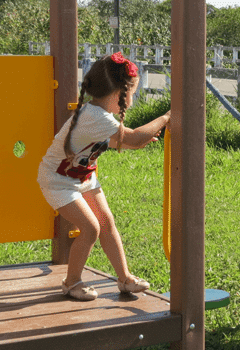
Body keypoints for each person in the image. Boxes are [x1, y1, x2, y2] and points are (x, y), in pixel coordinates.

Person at [38, 52, 170, 300]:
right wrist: (166, 117)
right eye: (132, 93)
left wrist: (138, 142)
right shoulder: (95, 117)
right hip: (58, 181)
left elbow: (126, 141)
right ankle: (71, 283)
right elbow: (132, 137)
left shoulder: (98, 114)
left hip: (82, 176)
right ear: (119, 93)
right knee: (90, 229)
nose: (132, 99)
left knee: (106, 223)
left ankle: (125, 278)